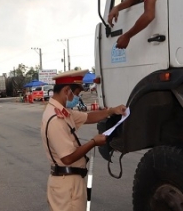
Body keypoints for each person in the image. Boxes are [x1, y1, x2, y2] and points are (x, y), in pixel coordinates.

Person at [40, 69, 126, 211]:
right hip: (67, 184)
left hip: (69, 181)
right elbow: (67, 158)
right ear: (67, 90)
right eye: (77, 94)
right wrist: (93, 142)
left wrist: (112, 111)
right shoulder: (55, 119)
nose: (77, 98)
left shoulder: (61, 112)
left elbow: (89, 117)